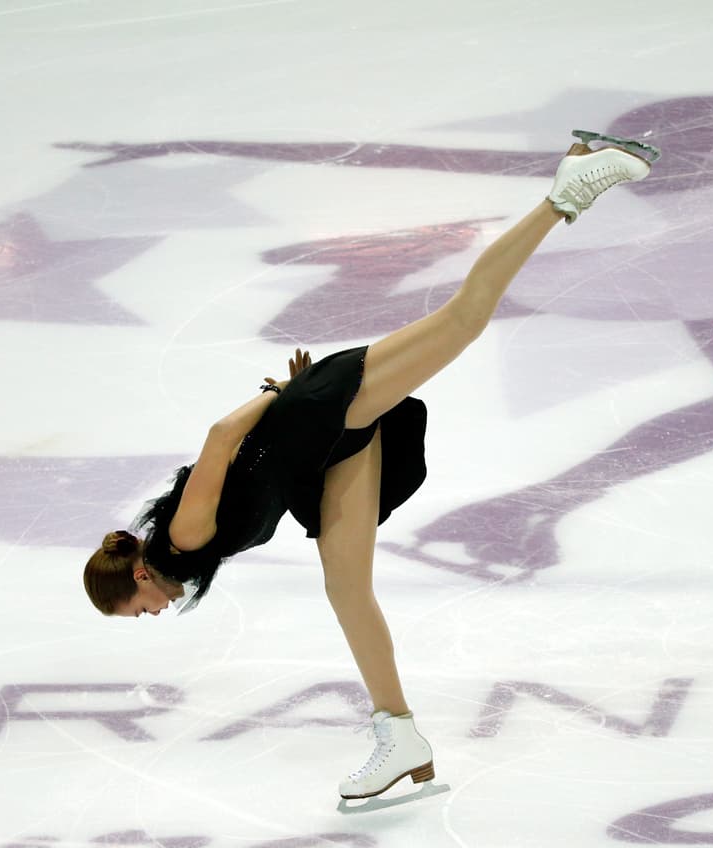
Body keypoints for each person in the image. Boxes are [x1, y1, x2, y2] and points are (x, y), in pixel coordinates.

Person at [82, 132, 656, 800]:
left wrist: (275, 395)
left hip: (319, 414)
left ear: (140, 574)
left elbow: (218, 440)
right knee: (346, 591)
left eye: (137, 608)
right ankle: (399, 734)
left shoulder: (182, 540)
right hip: (322, 458)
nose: (151, 615)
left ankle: (567, 194)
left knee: (464, 319)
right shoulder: (184, 556)